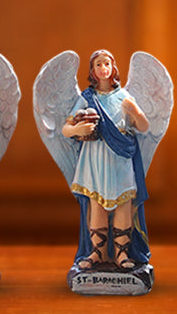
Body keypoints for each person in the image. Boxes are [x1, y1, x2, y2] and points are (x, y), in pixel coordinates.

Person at [62, 49, 150, 270]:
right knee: (97, 205)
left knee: (122, 205)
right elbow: (65, 129)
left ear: (113, 68)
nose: (103, 68)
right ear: (92, 70)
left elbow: (144, 127)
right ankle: (97, 253)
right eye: (98, 65)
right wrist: (77, 129)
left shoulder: (124, 96)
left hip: (120, 156)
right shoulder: (86, 98)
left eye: (107, 64)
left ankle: (122, 254)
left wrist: (136, 113)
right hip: (95, 155)